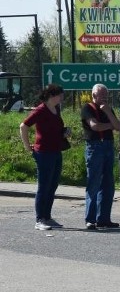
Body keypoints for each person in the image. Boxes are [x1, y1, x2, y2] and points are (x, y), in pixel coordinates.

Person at [19, 84, 67, 231]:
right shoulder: (40, 110)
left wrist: (64, 132)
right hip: (44, 153)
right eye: (60, 94)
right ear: (52, 96)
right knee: (44, 186)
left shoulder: (56, 109)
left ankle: (47, 216)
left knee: (53, 185)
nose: (62, 97)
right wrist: (27, 146)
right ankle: (39, 219)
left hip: (56, 151)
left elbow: (55, 128)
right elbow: (24, 126)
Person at [81, 83, 120, 230]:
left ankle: (104, 218)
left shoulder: (108, 109)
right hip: (95, 147)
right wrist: (109, 125)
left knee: (108, 185)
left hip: (108, 146)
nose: (104, 98)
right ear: (94, 95)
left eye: (106, 95)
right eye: (101, 95)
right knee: (94, 183)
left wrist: (109, 113)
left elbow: (118, 126)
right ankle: (90, 219)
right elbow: (95, 126)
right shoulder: (87, 109)